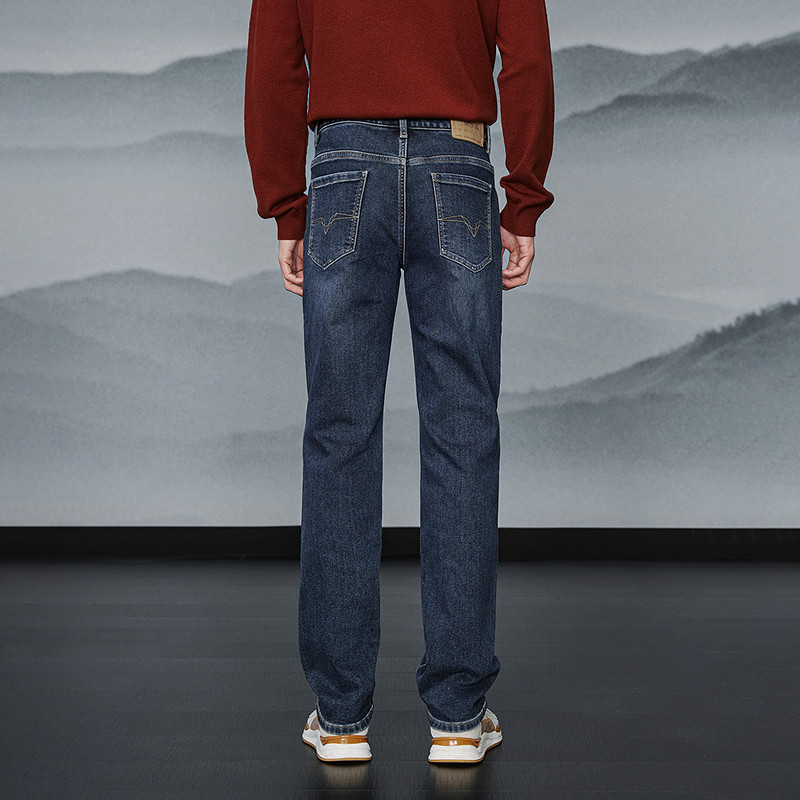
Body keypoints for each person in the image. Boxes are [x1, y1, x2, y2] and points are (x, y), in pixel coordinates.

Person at [244, 0, 555, 764]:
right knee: (463, 433)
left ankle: (341, 718)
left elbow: (274, 64)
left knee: (339, 437)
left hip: (344, 168)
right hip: (458, 162)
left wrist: (286, 207)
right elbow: (526, 56)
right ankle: (457, 717)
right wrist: (524, 197)